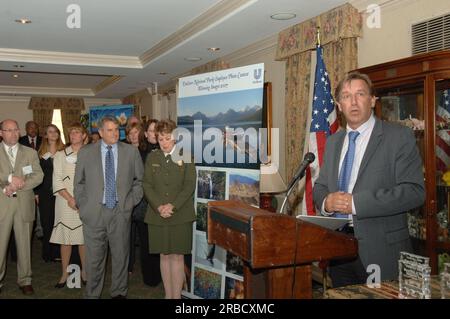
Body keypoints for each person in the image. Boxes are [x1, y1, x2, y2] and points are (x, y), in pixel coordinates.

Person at [313, 72, 425, 287]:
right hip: (338, 250)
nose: (353, 102)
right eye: (346, 96)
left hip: (382, 251)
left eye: (360, 94)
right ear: (339, 104)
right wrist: (327, 202)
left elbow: (414, 192)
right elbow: (320, 187)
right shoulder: (334, 142)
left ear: (372, 100)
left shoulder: (398, 137)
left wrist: (354, 203)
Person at [74, 116, 143, 299]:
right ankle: (92, 294)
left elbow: (139, 181)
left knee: (121, 257)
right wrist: (83, 205)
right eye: (110, 130)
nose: (115, 133)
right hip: (94, 214)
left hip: (120, 213)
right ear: (101, 132)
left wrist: (129, 203)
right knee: (94, 260)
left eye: (117, 129)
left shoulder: (130, 152)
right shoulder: (86, 152)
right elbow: (79, 183)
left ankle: (119, 293)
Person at [143, 119, 196, 299]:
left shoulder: (186, 155)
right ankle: (168, 295)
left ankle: (177, 296)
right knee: (164, 256)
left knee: (177, 257)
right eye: (160, 139)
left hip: (179, 214)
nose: (164, 143)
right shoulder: (152, 157)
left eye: (167, 138)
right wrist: (159, 206)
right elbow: (147, 185)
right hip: (157, 214)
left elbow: (189, 185)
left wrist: (172, 206)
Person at [0, 119, 44, 295]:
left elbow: (38, 175)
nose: (13, 133)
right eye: (8, 130)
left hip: (24, 204)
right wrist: (9, 180)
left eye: (16, 130)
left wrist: (19, 185)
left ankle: (25, 279)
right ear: (1, 133)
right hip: (2, 205)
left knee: (25, 244)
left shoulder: (29, 152)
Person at [50, 123, 87, 288]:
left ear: (84, 135)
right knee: (65, 240)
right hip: (65, 202)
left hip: (85, 202)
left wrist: (82, 200)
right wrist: (70, 199)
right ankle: (65, 273)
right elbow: (56, 179)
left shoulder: (90, 154)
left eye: (77, 132)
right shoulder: (60, 155)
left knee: (83, 240)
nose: (74, 135)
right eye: (71, 132)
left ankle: (85, 271)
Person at [126, 122, 162, 286]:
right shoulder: (133, 150)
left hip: (155, 203)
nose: (154, 134)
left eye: (156, 131)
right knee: (138, 240)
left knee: (153, 242)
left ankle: (155, 275)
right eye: (150, 130)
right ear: (146, 133)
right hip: (137, 201)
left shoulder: (161, 150)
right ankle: (144, 274)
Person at [35, 124, 65, 263]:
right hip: (44, 192)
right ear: (45, 135)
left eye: (55, 132)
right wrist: (35, 193)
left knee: (58, 222)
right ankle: (47, 252)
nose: (53, 134)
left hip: (61, 193)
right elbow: (33, 174)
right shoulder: (39, 153)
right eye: (50, 132)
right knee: (47, 223)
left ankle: (58, 252)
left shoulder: (65, 151)